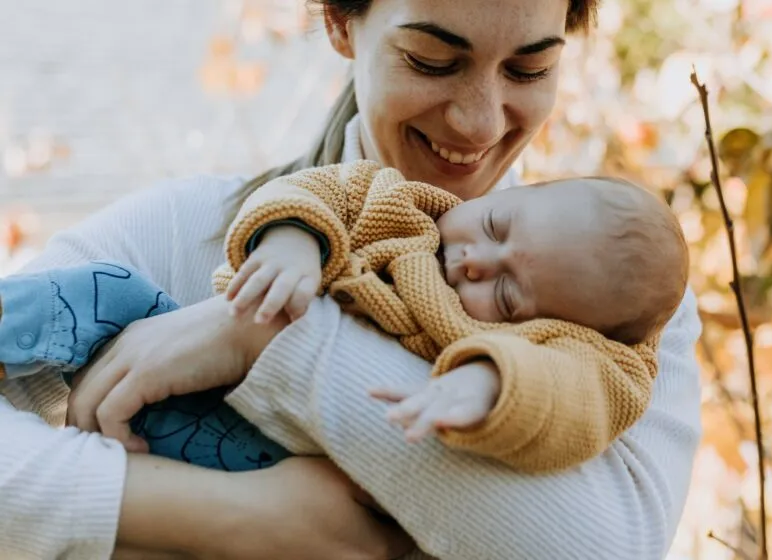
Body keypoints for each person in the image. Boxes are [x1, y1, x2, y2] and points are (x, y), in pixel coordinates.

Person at [0, 1, 702, 559]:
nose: (480, 120)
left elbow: (612, 545)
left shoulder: (616, 298)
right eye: (432, 60)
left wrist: (267, 342)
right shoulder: (192, 229)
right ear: (340, 23)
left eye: (528, 71)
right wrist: (233, 521)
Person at [0, 161, 687, 474]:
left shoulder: (584, 354)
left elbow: (570, 396)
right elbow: (321, 190)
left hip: (257, 460)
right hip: (187, 379)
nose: (478, 261)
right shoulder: (409, 206)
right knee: (103, 290)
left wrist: (487, 384)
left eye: (506, 295)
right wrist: (296, 244)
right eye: (500, 225)